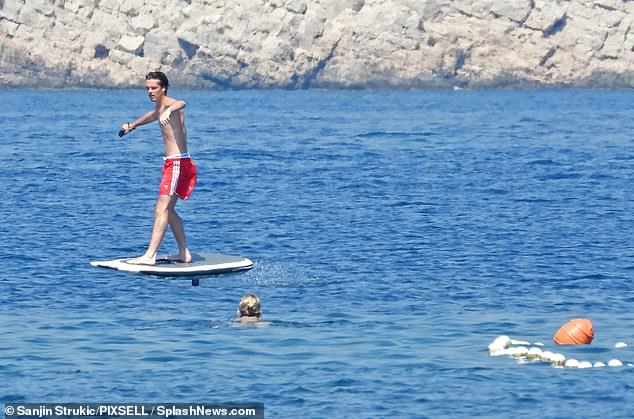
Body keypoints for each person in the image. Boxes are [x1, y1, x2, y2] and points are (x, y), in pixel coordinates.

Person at [119, 71, 197, 265]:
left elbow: (182, 102)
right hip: (174, 163)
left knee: (161, 208)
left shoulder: (171, 105)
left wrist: (170, 111)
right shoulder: (159, 107)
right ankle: (184, 253)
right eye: (147, 88)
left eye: (154, 88)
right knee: (168, 210)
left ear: (163, 88)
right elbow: (153, 115)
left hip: (178, 163)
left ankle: (150, 255)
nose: (150, 92)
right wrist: (133, 125)